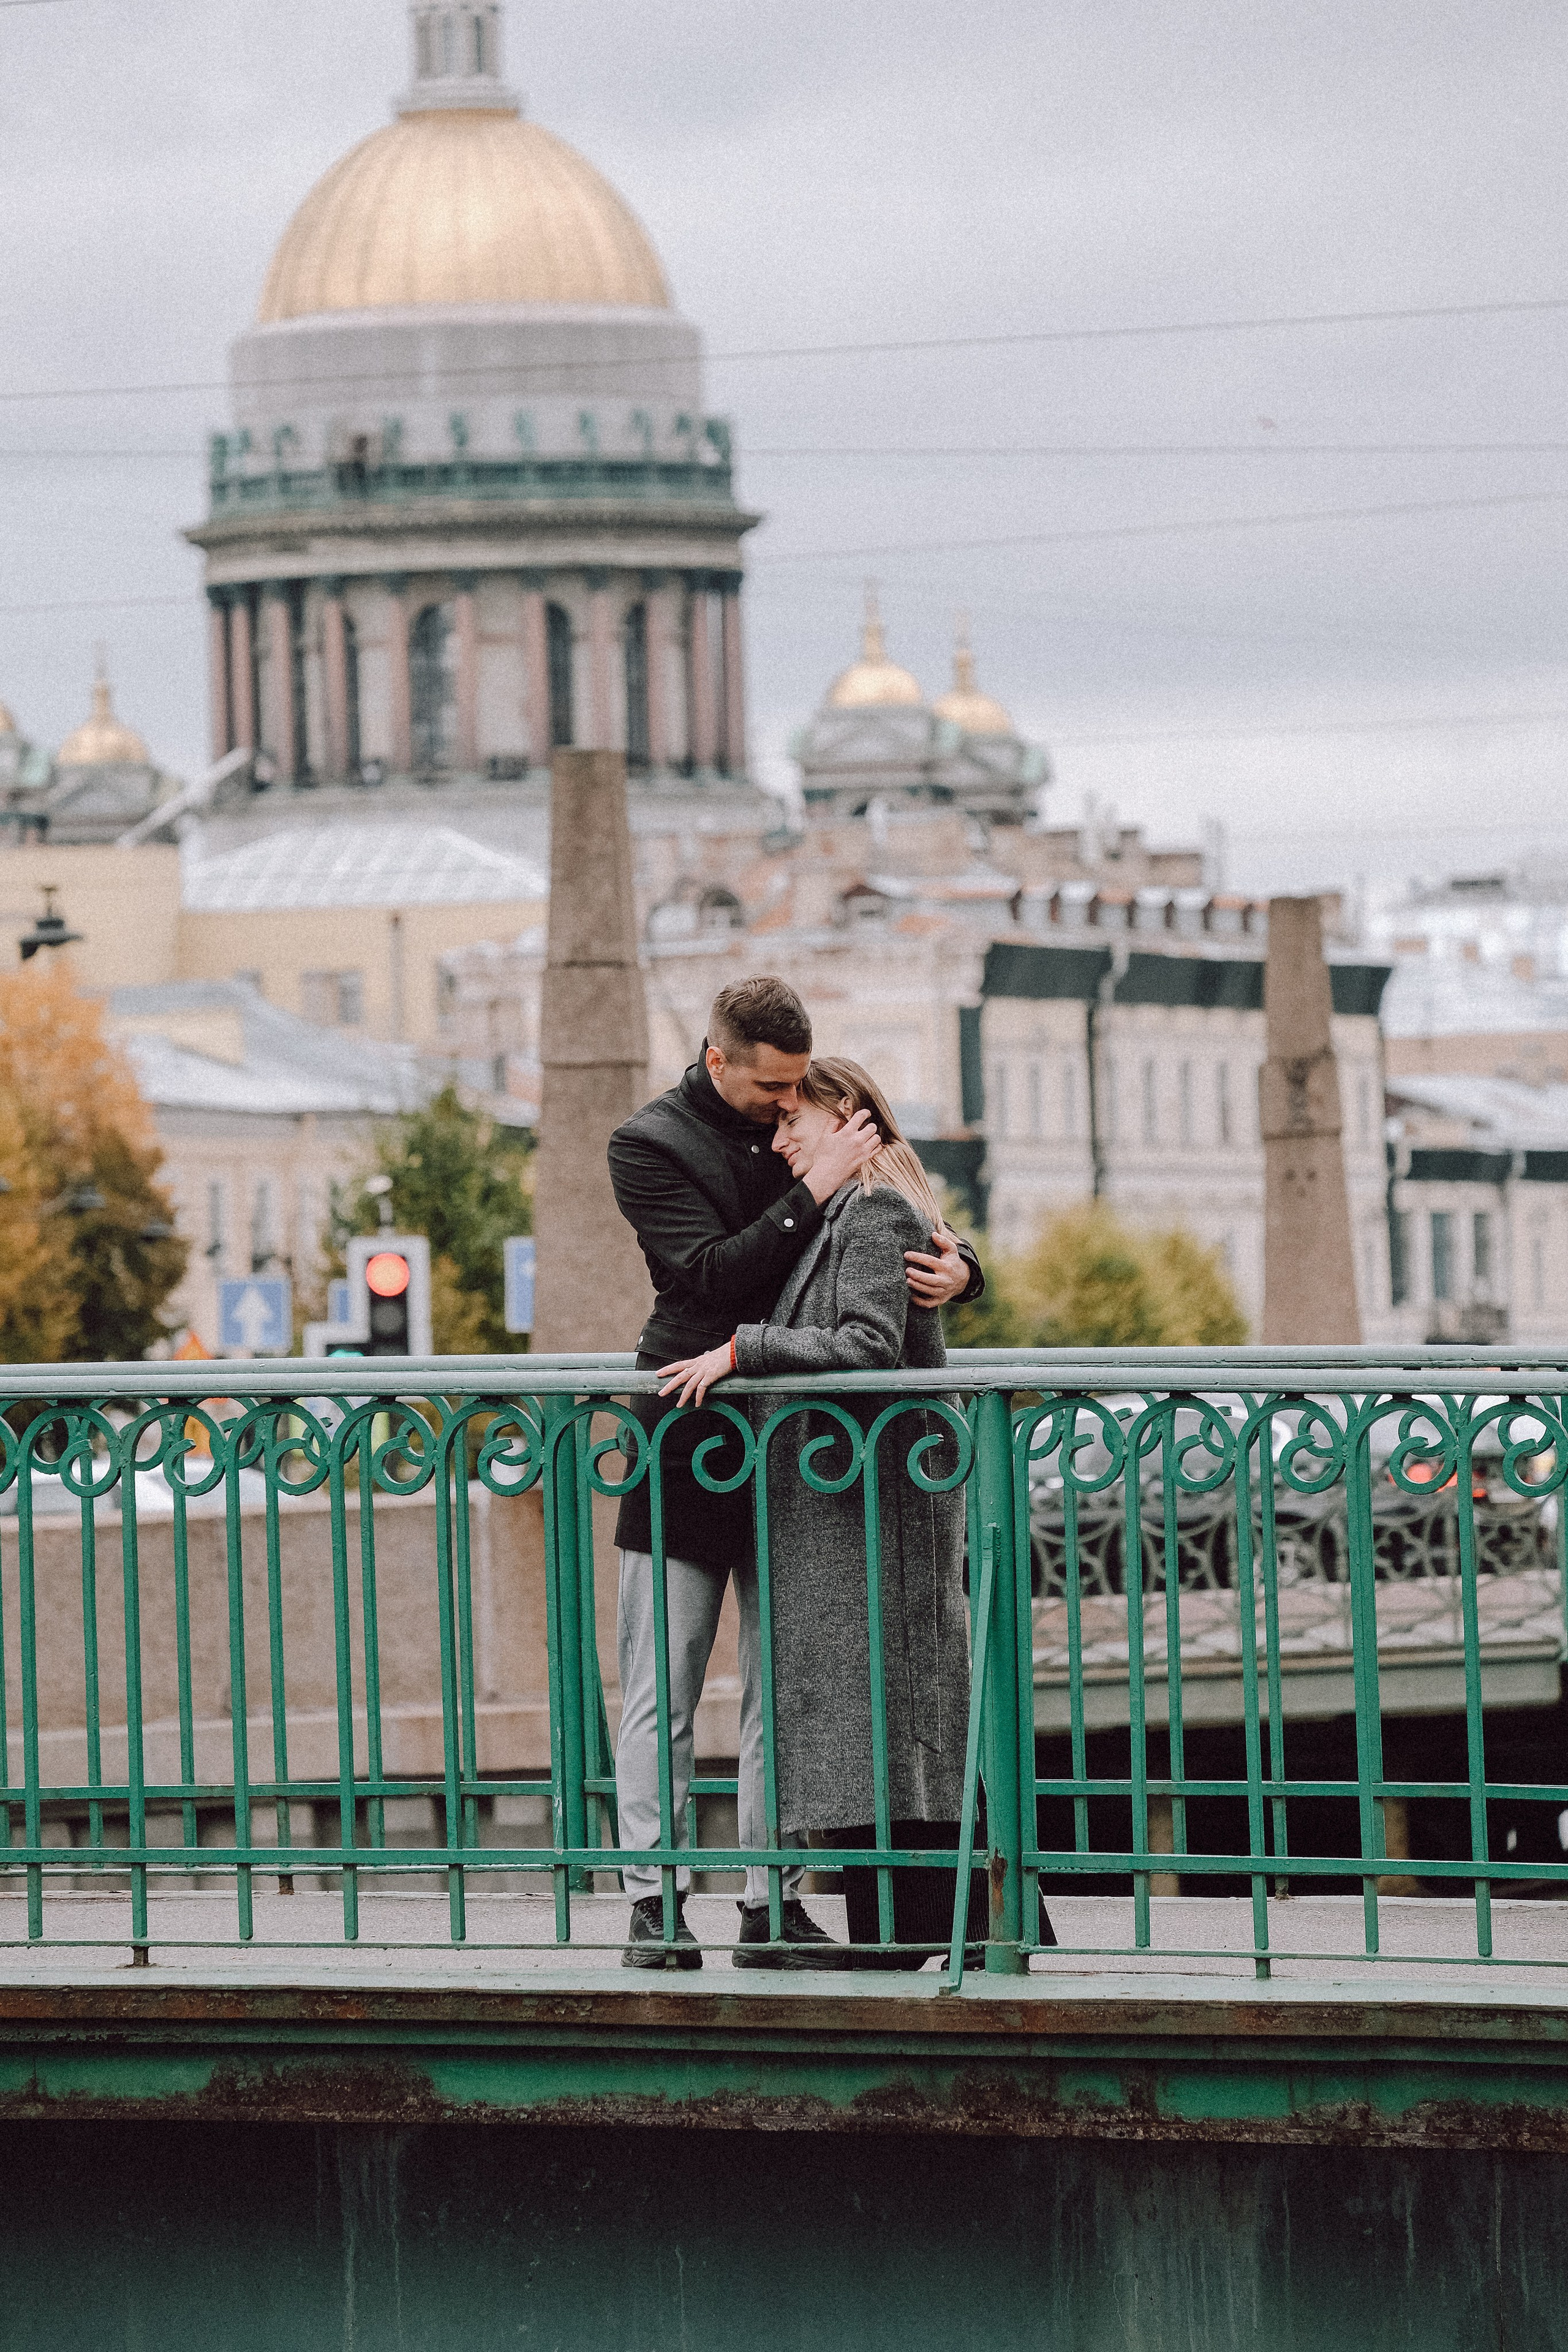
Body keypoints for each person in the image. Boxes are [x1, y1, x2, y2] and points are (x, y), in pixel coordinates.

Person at [608, 978, 982, 1970]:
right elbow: (714, 1278)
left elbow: (882, 1219)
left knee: (784, 1688)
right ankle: (654, 1902)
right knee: (666, 1684)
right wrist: (814, 1186)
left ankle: (771, 1898)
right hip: (688, 1426)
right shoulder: (647, 1145)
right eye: (771, 1091)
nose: (786, 1113)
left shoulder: (810, 1129)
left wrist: (962, 1264)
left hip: (795, 1452)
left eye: (795, 1099)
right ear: (717, 1059)